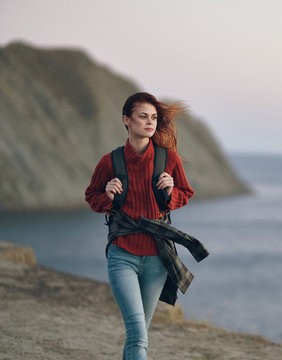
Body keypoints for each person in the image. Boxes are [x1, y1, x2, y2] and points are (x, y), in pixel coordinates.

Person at [85, 92, 196, 359]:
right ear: (127, 120)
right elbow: (92, 197)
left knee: (139, 334)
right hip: (122, 253)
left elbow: (185, 193)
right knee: (137, 333)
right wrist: (108, 195)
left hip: (158, 258)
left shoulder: (168, 159)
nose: (150, 123)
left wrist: (171, 192)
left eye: (154, 118)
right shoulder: (110, 161)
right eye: (143, 116)